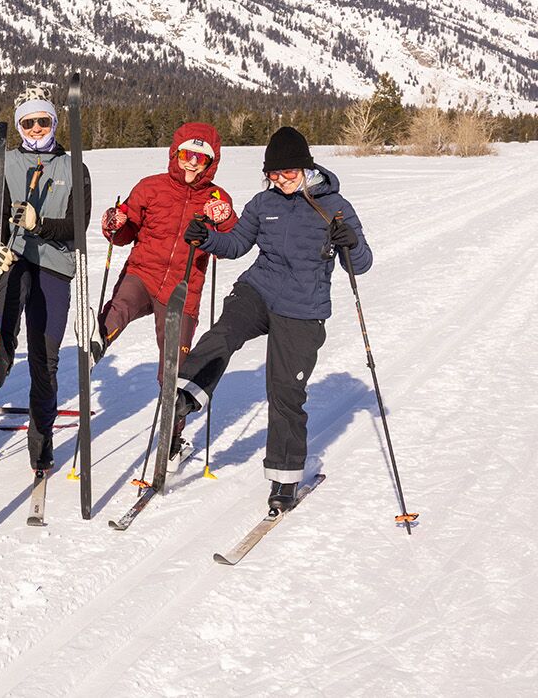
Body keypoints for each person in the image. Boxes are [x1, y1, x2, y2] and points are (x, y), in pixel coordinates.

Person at [174, 126, 371, 512]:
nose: (280, 182)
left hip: (303, 309)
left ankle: (284, 481)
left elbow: (360, 265)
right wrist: (206, 238)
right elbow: (236, 244)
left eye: (288, 174)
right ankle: (185, 394)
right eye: (274, 175)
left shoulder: (335, 206)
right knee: (225, 331)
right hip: (259, 290)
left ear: (306, 168)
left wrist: (350, 241)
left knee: (284, 394)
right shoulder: (263, 204)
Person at [0, 97, 91, 477]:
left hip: (56, 265)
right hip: (16, 257)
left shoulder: (73, 167)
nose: (35, 130)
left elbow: (77, 229)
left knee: (45, 359)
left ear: (54, 124)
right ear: (19, 127)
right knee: (9, 302)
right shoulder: (8, 163)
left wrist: (39, 223)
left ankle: (41, 438)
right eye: (28, 124)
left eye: (42, 123)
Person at [94, 123, 237, 368]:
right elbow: (124, 234)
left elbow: (231, 245)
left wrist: (225, 220)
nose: (191, 163)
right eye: (186, 155)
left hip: (184, 288)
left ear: (210, 163)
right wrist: (114, 225)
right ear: (175, 154)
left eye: (200, 158)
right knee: (119, 309)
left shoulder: (217, 197)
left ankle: (174, 398)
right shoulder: (150, 187)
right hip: (142, 273)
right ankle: (95, 345)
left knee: (175, 362)